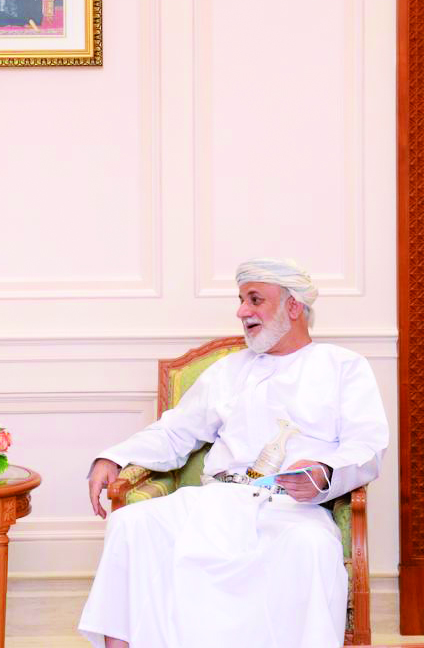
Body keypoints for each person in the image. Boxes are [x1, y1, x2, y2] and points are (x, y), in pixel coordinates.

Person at [79, 258, 388, 648]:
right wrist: (115, 458)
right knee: (131, 525)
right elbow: (175, 431)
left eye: (254, 299)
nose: (242, 311)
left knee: (310, 548)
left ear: (293, 307)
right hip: (216, 501)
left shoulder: (344, 367)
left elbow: (367, 446)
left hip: (291, 510)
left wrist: (325, 472)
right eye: (242, 300)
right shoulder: (228, 371)